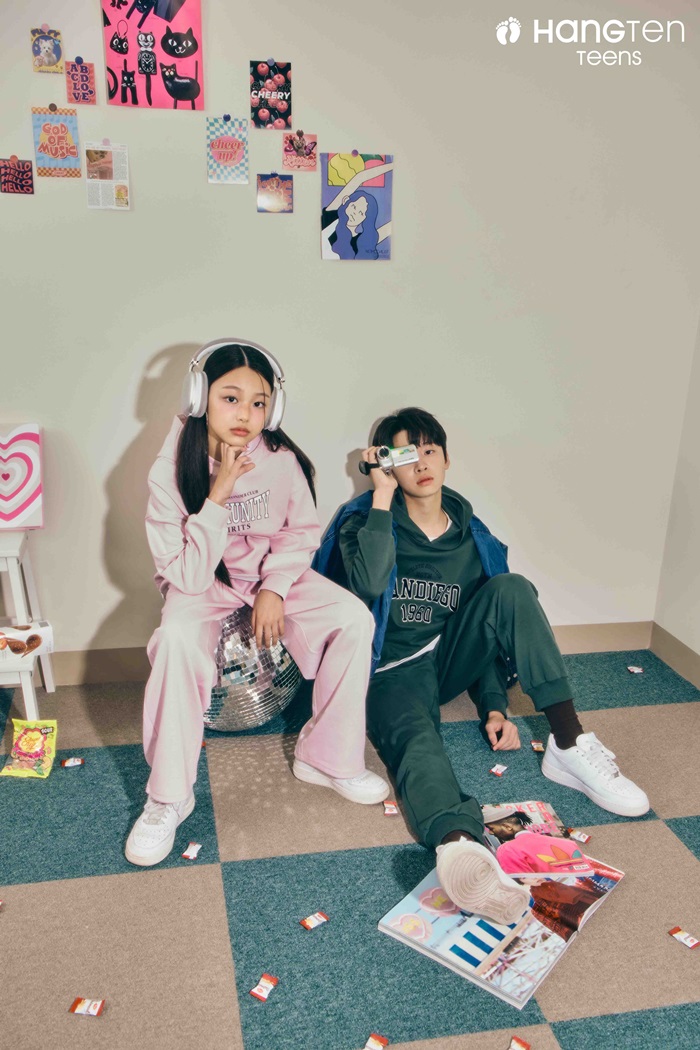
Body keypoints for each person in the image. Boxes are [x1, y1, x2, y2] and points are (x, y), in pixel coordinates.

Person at [313, 406, 649, 925]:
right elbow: (370, 583)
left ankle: (568, 742)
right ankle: (460, 847)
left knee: (511, 587)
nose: (421, 464)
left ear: (447, 459)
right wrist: (380, 497)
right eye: (405, 455)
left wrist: (493, 704)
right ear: (387, 466)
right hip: (389, 669)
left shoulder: (473, 536)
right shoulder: (365, 522)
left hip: (448, 660)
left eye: (430, 451)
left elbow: (486, 627)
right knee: (417, 742)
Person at [125, 340, 388, 867]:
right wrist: (218, 495)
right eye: (231, 398)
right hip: (202, 584)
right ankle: (168, 797)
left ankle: (326, 758)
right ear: (200, 397)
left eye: (259, 402)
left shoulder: (281, 461)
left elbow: (299, 533)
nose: (246, 415)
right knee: (174, 641)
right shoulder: (168, 470)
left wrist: (274, 588)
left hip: (271, 575)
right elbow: (184, 574)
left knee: (353, 619)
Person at [482, 806, 595, 876]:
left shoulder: (507, 849)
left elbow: (520, 885)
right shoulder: (569, 843)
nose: (491, 833)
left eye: (491, 828)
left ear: (507, 827)